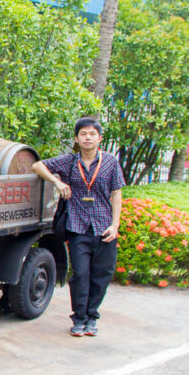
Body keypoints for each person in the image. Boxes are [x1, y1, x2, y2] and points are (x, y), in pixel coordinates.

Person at [31, 117, 125, 337]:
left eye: (92, 134)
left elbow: (117, 193)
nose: (87, 138)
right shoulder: (69, 161)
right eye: (83, 134)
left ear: (99, 138)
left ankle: (92, 317)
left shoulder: (110, 162)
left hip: (103, 227)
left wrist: (115, 225)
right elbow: (37, 166)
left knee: (102, 274)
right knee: (80, 274)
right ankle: (79, 318)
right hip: (77, 226)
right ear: (77, 138)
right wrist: (57, 182)